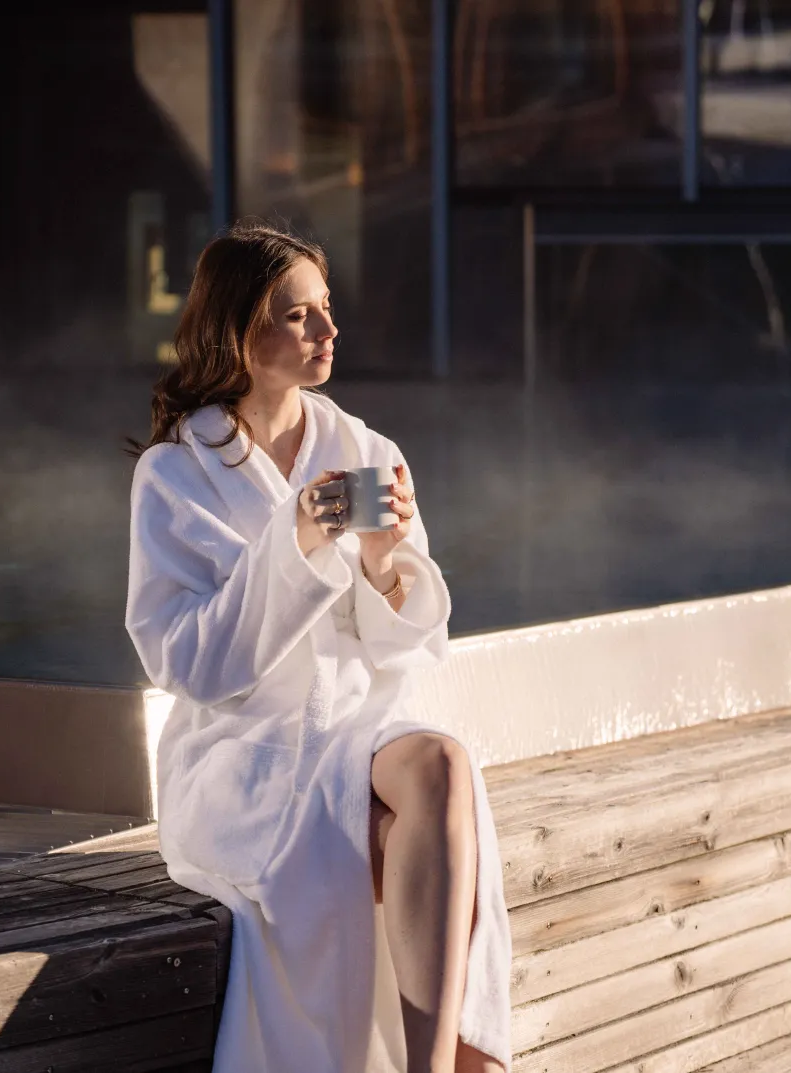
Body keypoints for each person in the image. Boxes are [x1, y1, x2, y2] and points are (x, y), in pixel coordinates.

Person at [125, 221, 512, 1073]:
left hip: (358, 727)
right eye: (298, 314)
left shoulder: (364, 451)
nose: (329, 330)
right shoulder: (176, 476)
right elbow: (187, 665)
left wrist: (382, 562)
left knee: (443, 764)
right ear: (239, 329)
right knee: (416, 833)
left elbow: (411, 649)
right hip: (243, 753)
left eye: (326, 307)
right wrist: (294, 543)